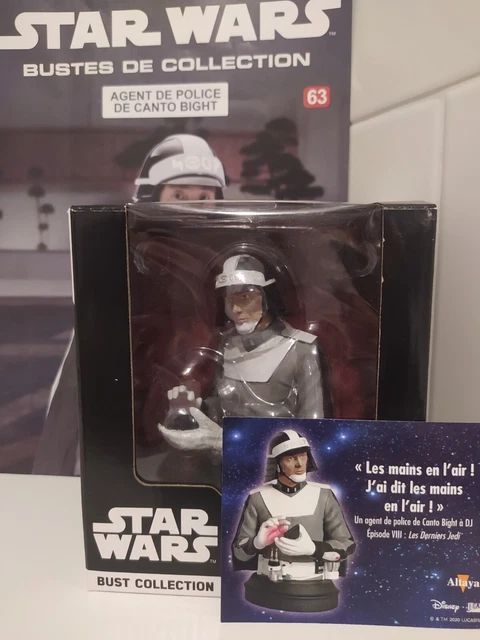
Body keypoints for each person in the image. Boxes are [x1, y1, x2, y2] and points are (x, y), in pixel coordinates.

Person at [33, 134, 226, 476]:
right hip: (130, 414)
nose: (193, 207)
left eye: (204, 197)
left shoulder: (227, 263)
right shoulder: (121, 261)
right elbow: (76, 388)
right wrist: (52, 474)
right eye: (179, 195)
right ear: (152, 197)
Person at [157, 255, 327, 483]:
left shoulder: (301, 348)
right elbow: (225, 406)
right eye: (230, 300)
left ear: (267, 297)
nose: (236, 309)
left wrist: (222, 442)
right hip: (225, 472)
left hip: (275, 477)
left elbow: (312, 434)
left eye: (245, 297)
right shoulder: (227, 344)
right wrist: (193, 410)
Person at [231, 429, 355, 612]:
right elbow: (239, 551)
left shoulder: (324, 495)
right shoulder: (258, 498)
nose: (299, 464)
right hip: (267, 586)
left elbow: (346, 543)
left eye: (303, 456)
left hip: (315, 586)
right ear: (277, 463)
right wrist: (256, 543)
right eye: (290, 458)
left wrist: (315, 549)